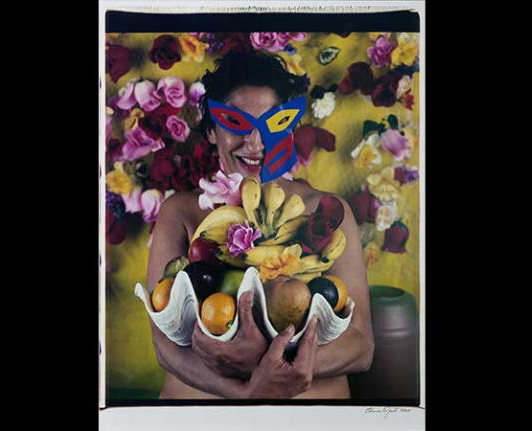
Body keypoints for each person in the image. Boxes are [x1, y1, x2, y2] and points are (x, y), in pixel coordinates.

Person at [146, 50, 374, 399]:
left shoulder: (327, 213)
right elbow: (164, 346)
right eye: (235, 123)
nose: (255, 143)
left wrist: (270, 368)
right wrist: (246, 391)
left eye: (273, 123)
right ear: (212, 131)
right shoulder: (180, 212)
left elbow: (361, 346)